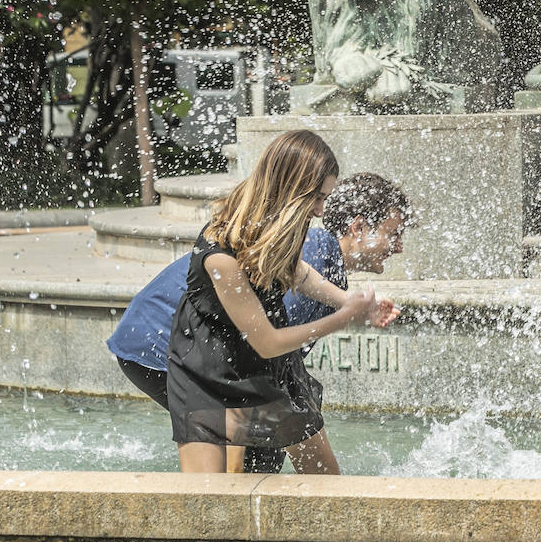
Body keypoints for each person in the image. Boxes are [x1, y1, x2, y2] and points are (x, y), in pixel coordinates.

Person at [105, 170, 412, 472]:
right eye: (394, 234)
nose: (398, 247)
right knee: (260, 447)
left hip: (176, 343)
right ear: (358, 228)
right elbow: (249, 362)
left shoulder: (321, 258)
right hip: (155, 343)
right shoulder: (317, 254)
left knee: (271, 440)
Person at [166, 130, 397, 474]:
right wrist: (344, 318)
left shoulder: (283, 225)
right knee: (209, 507)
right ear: (290, 189)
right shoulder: (220, 257)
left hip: (269, 370)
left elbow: (298, 272)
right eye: (316, 198)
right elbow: (267, 342)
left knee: (327, 487)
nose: (320, 211)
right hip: (207, 376)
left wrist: (349, 300)